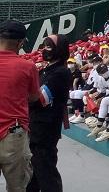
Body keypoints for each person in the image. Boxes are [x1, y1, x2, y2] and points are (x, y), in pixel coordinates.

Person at [27, 35, 72, 192]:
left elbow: (39, 99)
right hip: (36, 125)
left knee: (45, 169)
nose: (44, 50)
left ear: (59, 50)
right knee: (33, 169)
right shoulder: (47, 70)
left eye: (48, 47)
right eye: (44, 46)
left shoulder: (60, 72)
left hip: (46, 128)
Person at [0, 21, 40, 192]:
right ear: (20, 42)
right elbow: (34, 97)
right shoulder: (28, 66)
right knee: (17, 187)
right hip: (13, 133)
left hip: (12, 131)